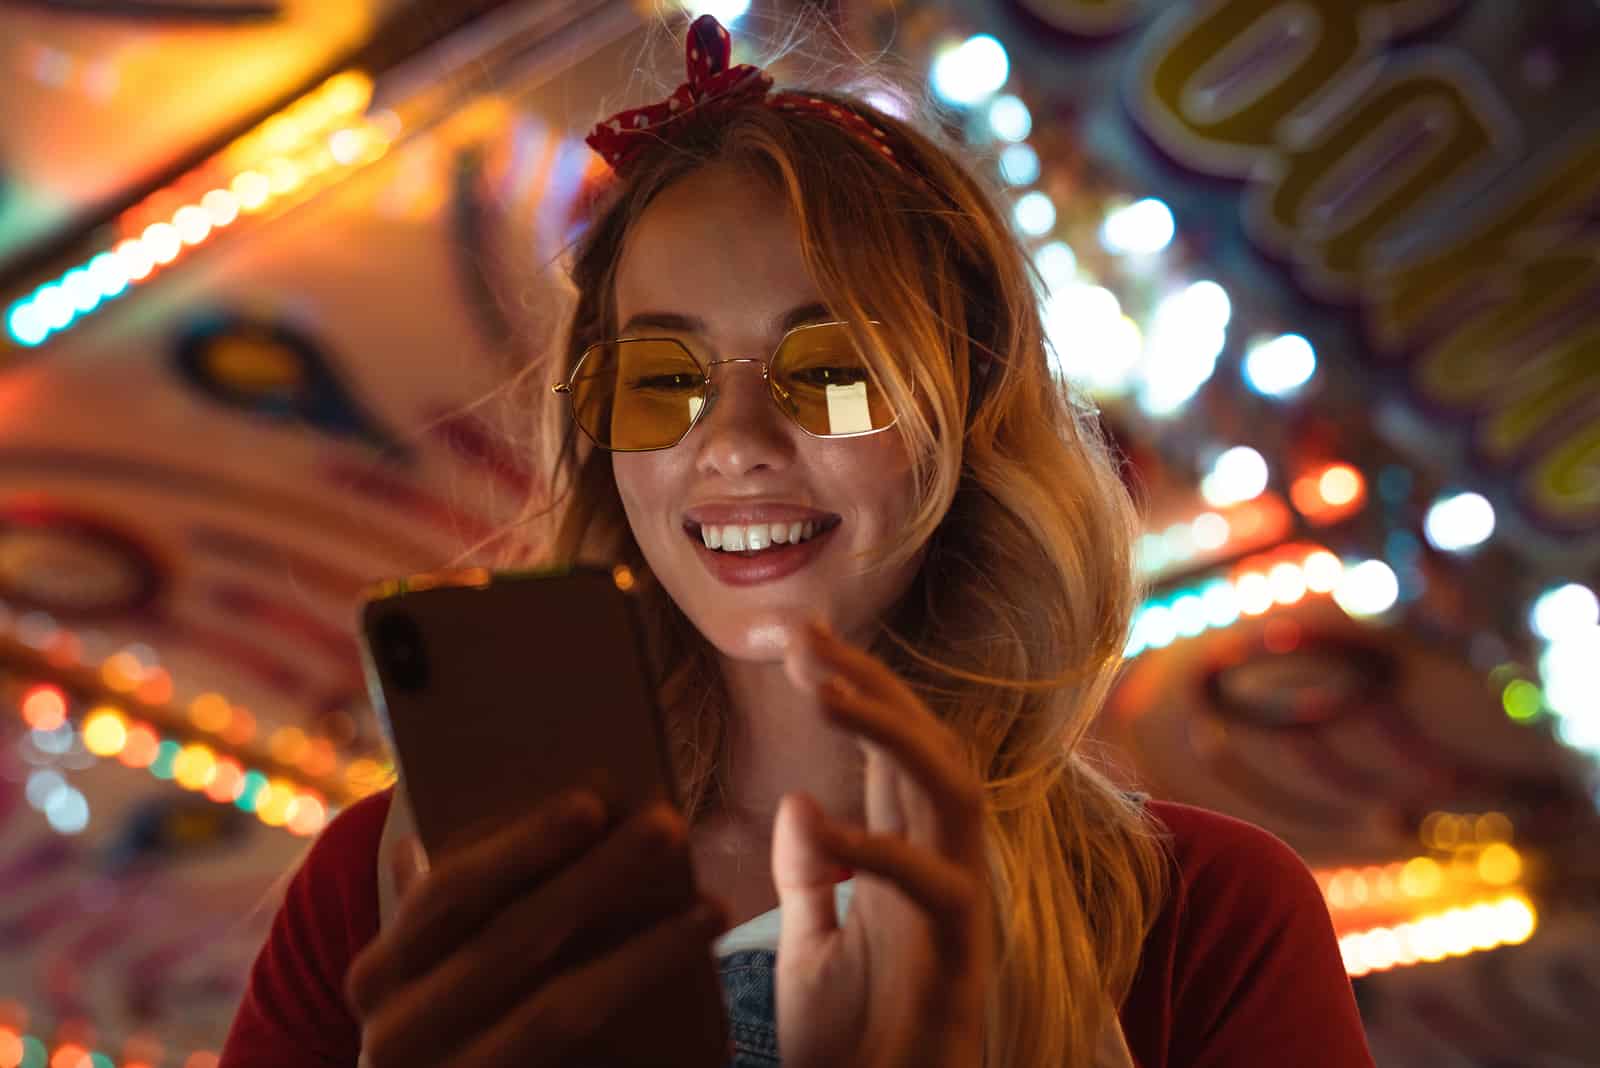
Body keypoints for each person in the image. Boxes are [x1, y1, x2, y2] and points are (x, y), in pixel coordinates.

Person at [220, 14, 1375, 1068]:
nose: (731, 441)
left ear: (968, 411)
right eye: (661, 379)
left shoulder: (1208, 919)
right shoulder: (400, 887)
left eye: (829, 370)